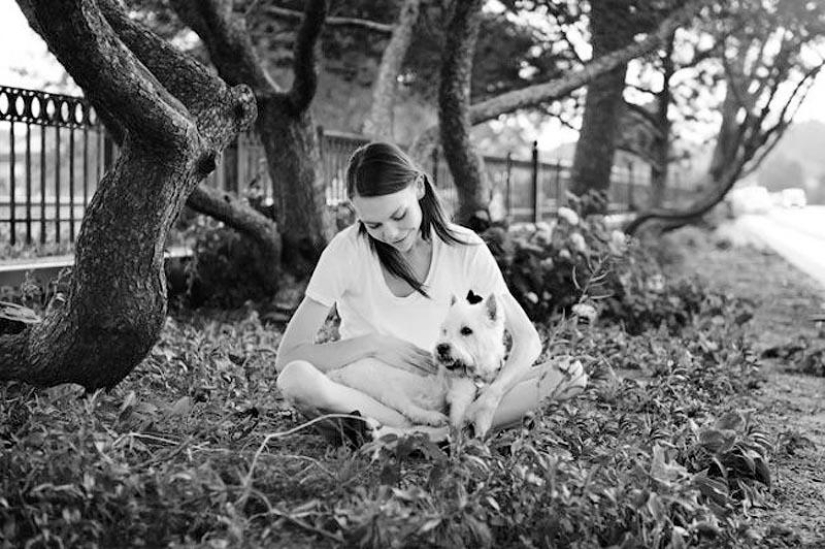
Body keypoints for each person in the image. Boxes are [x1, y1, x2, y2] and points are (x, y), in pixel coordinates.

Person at [275, 142, 586, 443]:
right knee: (295, 379)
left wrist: (493, 395)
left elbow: (528, 340)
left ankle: (426, 432)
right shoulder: (347, 250)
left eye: (399, 215)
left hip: (451, 391)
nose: (390, 234)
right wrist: (374, 345)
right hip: (376, 396)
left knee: (569, 375)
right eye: (373, 225)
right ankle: (418, 432)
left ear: (419, 187)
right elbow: (288, 356)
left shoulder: (464, 247)